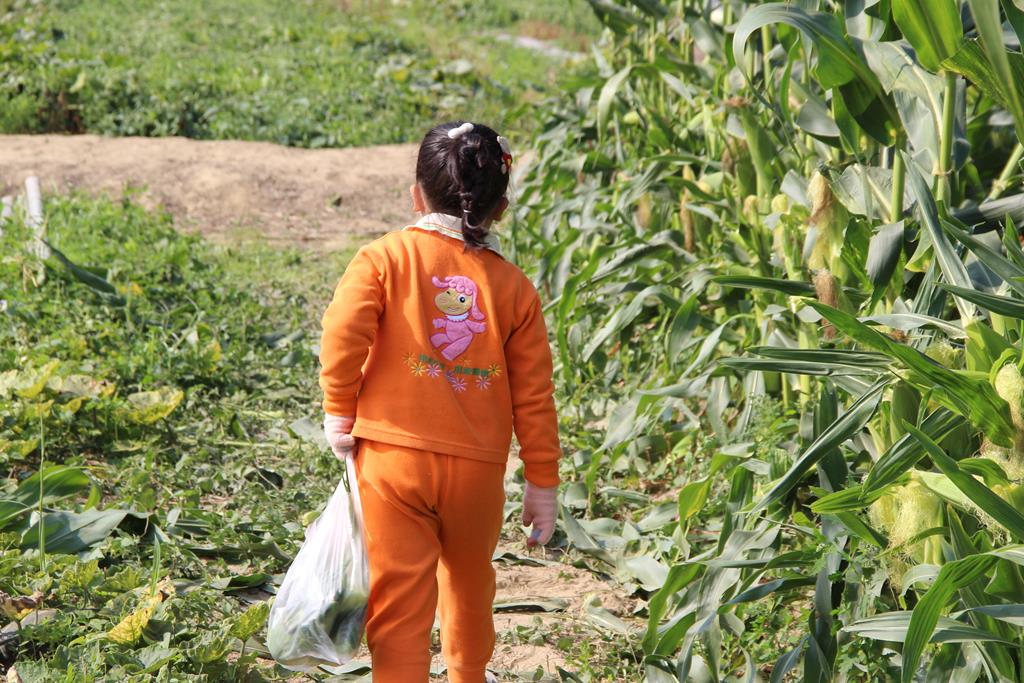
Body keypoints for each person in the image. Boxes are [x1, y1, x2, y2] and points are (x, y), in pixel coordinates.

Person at [318, 120, 561, 683]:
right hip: (477, 473)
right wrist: (542, 483)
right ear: (500, 209)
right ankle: (467, 675)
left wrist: (339, 408)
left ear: (416, 195)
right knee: (470, 582)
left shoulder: (384, 258)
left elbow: (342, 332)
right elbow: (534, 395)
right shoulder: (515, 289)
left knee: (399, 598)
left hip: (392, 462)